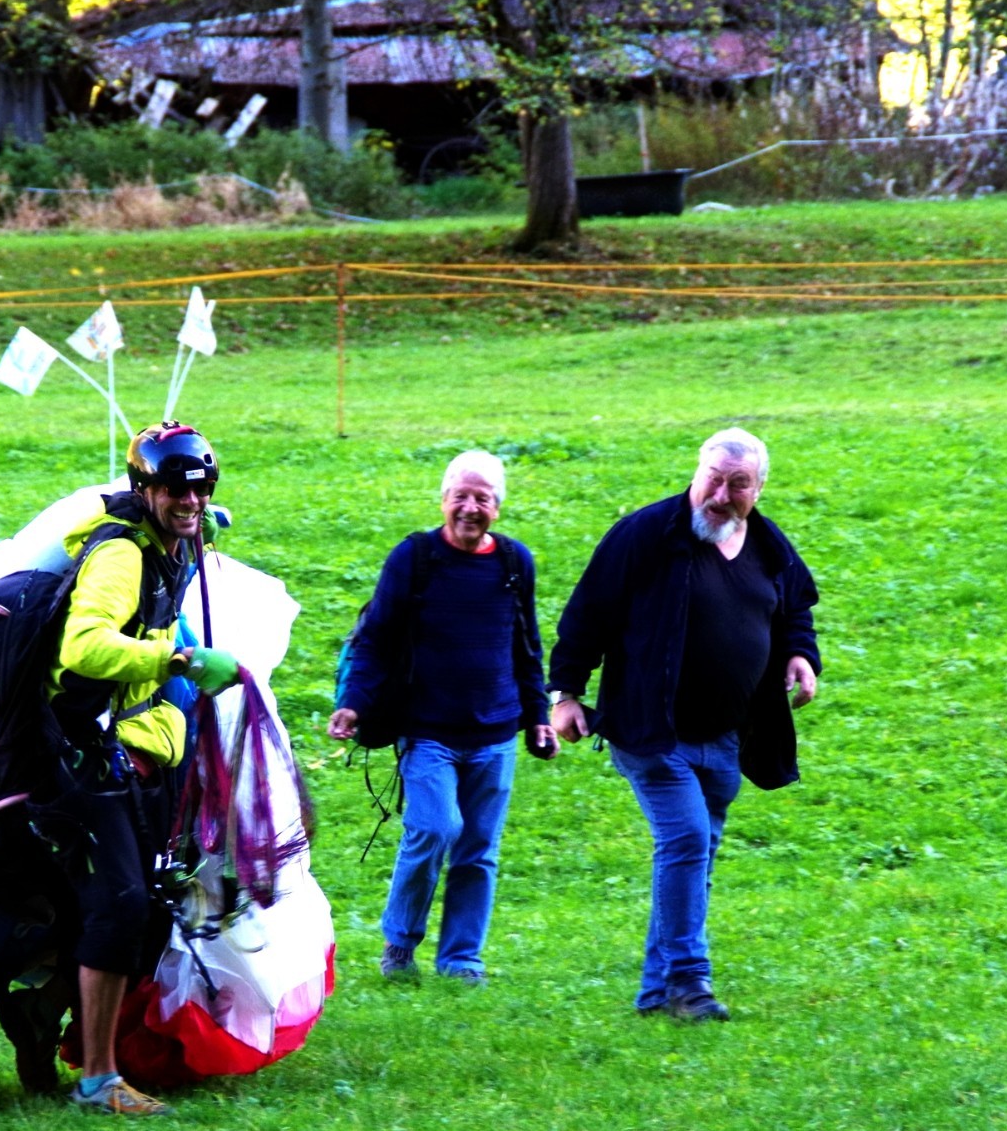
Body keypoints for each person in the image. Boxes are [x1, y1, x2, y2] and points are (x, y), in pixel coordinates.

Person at [549, 429, 820, 1022]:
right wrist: (566, 693)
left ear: (759, 487)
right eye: (712, 480)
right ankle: (691, 986)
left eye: (737, 484)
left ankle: (655, 993)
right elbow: (587, 613)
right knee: (687, 841)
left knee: (692, 857)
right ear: (697, 473)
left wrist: (801, 656)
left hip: (727, 735)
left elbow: (794, 607)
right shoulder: (646, 535)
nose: (719, 495)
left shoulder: (769, 546)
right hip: (651, 729)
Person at [48, 421, 239, 1115]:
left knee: (157, 900)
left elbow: (191, 524)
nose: (190, 501)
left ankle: (78, 1043)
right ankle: (98, 1082)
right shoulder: (121, 558)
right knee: (122, 903)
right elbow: (84, 647)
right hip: (83, 755)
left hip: (138, 753)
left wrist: (197, 527)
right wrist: (176, 661)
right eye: (174, 489)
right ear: (144, 490)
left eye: (201, 489)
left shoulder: (171, 543)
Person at [329, 451, 553, 985]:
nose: (470, 508)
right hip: (428, 731)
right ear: (443, 500)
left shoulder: (514, 563)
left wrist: (538, 716)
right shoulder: (415, 558)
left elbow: (527, 649)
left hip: (495, 734)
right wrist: (353, 703)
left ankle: (461, 960)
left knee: (478, 851)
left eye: (483, 498)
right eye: (461, 496)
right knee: (434, 827)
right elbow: (376, 641)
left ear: (497, 507)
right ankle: (399, 941)